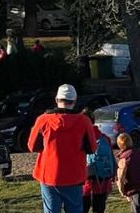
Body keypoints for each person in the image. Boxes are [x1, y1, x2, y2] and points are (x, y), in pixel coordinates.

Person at [29, 84, 97, 213]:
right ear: (75, 101)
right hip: (74, 176)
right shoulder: (84, 121)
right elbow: (92, 148)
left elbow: (32, 146)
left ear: (56, 100)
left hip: (49, 175)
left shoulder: (43, 120)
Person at [82, 115, 115, 213]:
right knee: (99, 209)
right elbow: (111, 157)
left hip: (86, 183)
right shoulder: (105, 138)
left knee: (82, 209)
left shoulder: (82, 138)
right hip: (103, 181)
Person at [116, 132, 140, 213]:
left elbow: (120, 178)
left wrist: (122, 192)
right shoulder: (139, 153)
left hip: (137, 194)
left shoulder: (123, 159)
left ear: (119, 145)